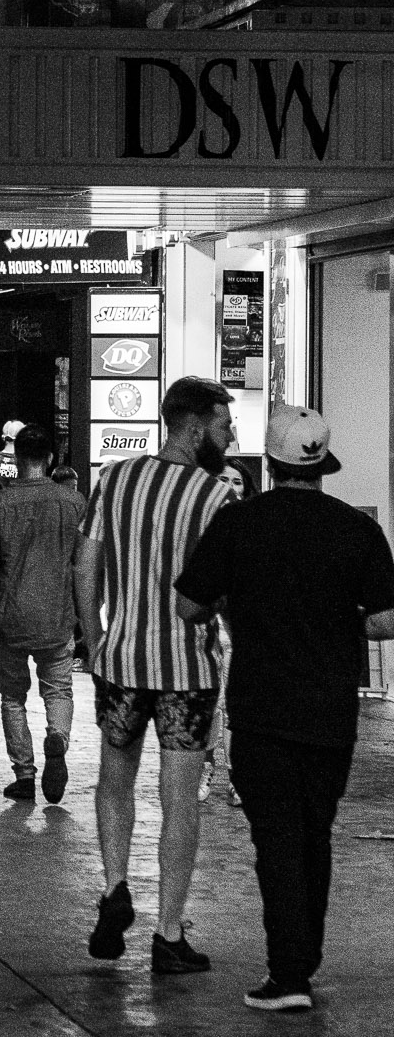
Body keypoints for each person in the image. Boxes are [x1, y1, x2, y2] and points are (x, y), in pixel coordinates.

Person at [174, 404, 394, 1013]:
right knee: (314, 834)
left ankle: (288, 973)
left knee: (275, 838)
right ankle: (305, 960)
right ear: (322, 464)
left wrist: (238, 600)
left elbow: (189, 606)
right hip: (330, 711)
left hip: (261, 707)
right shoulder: (357, 530)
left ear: (268, 463)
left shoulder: (238, 524)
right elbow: (383, 622)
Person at [75, 375, 236, 976]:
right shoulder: (214, 497)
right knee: (179, 801)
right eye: (224, 425)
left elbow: (85, 566)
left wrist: (95, 641)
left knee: (114, 780)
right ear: (194, 429)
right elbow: (219, 590)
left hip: (120, 660)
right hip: (186, 669)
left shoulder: (114, 480)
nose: (231, 435)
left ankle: (116, 886)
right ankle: (169, 933)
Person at [0, 424, 85, 804]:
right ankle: (58, 739)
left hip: (11, 616)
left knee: (12, 696)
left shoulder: (0, 504)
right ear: (51, 459)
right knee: (59, 689)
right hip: (57, 615)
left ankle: (25, 775)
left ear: (17, 459)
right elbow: (85, 565)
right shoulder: (74, 503)